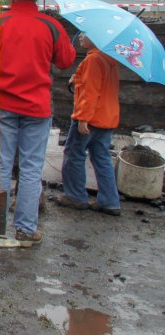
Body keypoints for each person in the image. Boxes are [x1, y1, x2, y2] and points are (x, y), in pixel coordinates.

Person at [0, 0, 76, 246]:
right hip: (37, 108)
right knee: (30, 167)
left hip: (3, 103)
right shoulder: (51, 26)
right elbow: (65, 60)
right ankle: (26, 230)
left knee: (2, 164)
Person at [51, 33, 121, 216]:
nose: (80, 36)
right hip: (107, 118)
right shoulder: (109, 60)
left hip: (90, 119)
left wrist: (83, 118)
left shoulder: (93, 60)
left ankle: (75, 196)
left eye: (85, 33)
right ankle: (110, 201)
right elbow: (99, 87)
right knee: (102, 158)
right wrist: (78, 80)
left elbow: (90, 92)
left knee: (74, 154)